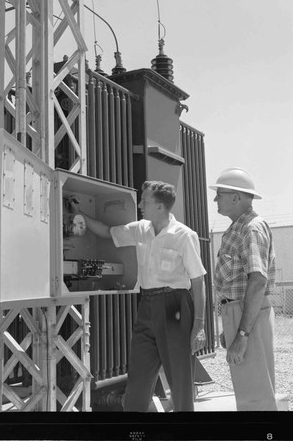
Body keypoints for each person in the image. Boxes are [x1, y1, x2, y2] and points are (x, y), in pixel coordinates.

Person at [83, 180, 206, 412]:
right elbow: (107, 232)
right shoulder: (140, 228)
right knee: (137, 380)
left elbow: (198, 282)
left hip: (176, 308)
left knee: (180, 382)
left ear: (160, 206)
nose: (140, 204)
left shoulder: (184, 235)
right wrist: (81, 216)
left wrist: (199, 326)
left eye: (145, 201)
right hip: (147, 305)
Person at [210, 167, 277, 411]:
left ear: (236, 197)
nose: (215, 199)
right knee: (248, 392)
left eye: (220, 194)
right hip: (240, 314)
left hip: (247, 315)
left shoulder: (251, 228)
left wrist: (241, 334)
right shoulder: (240, 227)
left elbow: (257, 282)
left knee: (255, 397)